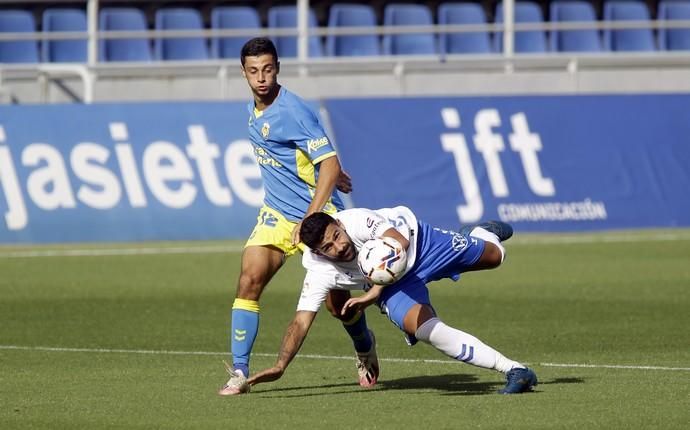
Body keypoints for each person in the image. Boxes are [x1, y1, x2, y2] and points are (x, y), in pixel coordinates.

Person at [219, 37, 378, 396]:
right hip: (276, 213)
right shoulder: (254, 108)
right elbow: (318, 159)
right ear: (243, 73)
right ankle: (240, 371)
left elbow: (329, 160)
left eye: (268, 70)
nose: (262, 78)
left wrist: (312, 215)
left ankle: (364, 345)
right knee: (249, 280)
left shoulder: (293, 109)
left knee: (339, 307)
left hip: (316, 218)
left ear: (278, 68)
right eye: (254, 71)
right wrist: (331, 171)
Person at [247, 206, 538, 394]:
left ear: (339, 223)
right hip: (389, 283)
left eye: (337, 235)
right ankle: (515, 370)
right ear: (319, 253)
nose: (340, 246)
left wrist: (371, 294)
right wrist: (280, 365)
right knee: (424, 330)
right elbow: (300, 322)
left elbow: (400, 243)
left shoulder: (358, 220)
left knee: (495, 257)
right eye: (329, 246)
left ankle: (481, 233)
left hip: (421, 245)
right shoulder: (319, 270)